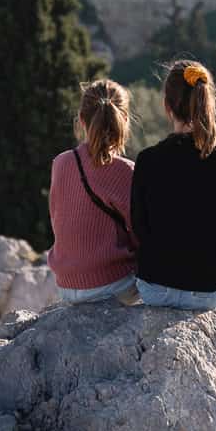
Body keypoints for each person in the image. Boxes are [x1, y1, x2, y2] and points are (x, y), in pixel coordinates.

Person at [131, 59, 216, 317]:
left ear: (167, 106)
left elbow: (140, 228)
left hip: (155, 288)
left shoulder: (147, 160)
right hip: (210, 290)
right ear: (208, 101)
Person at [47, 79, 140, 305]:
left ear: (81, 120)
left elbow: (57, 220)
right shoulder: (126, 171)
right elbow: (142, 236)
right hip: (114, 286)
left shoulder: (61, 163)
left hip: (67, 286)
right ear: (125, 120)